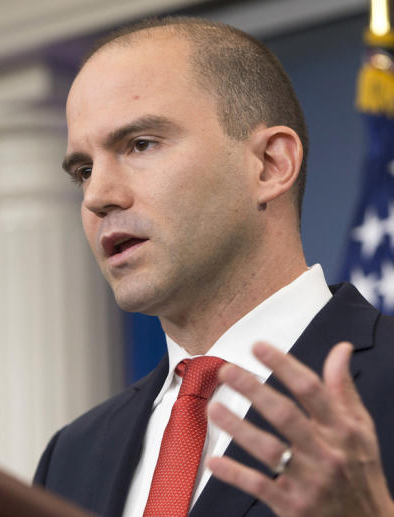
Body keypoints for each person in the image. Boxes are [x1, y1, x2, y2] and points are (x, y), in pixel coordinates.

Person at [34, 16, 394, 517]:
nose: (97, 197)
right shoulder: (69, 458)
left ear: (270, 164)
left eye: (140, 144)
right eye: (84, 170)